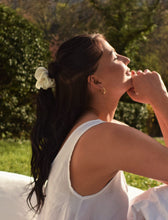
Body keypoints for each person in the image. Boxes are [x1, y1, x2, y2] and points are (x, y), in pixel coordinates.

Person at [27, 33, 168, 220]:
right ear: (95, 81)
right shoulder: (102, 136)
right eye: (115, 57)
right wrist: (159, 97)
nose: (127, 59)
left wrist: (157, 100)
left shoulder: (92, 129)